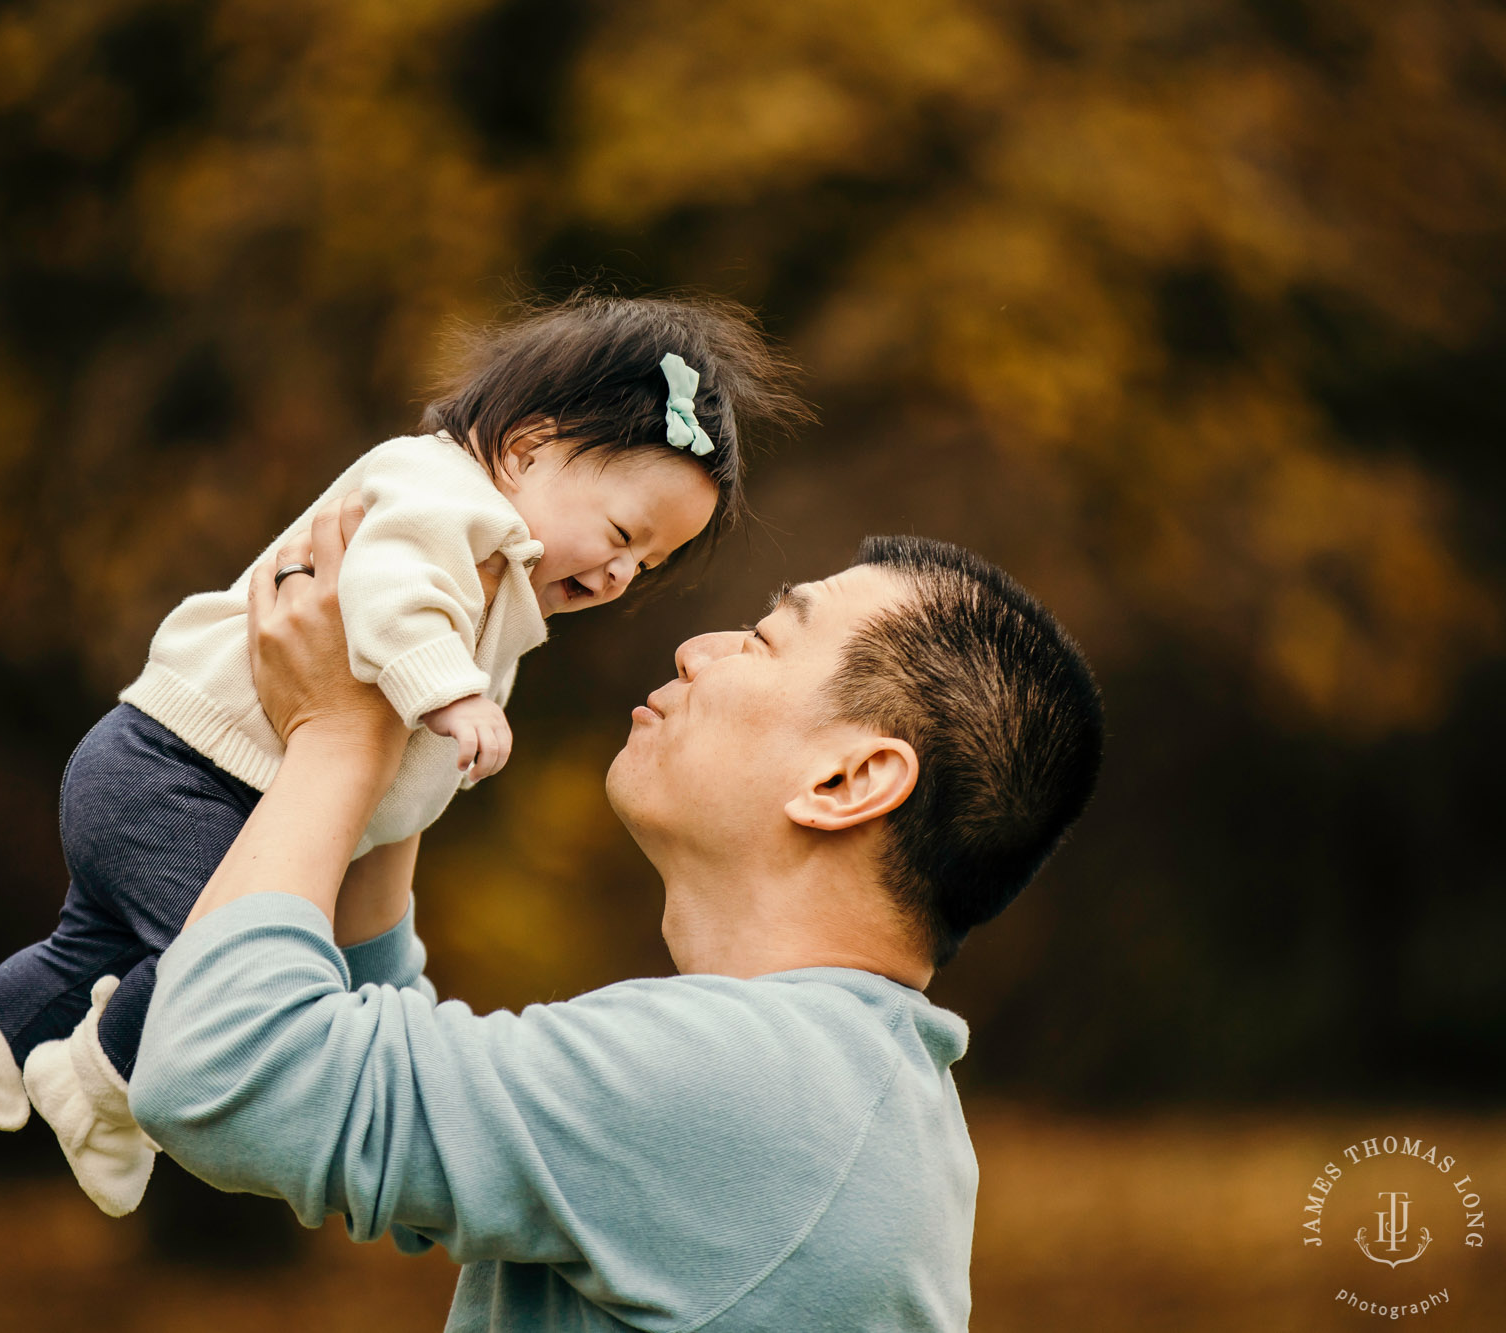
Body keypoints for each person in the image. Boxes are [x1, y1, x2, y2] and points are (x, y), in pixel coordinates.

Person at [0, 293, 808, 1216]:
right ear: (524, 450)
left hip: (175, 776)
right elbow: (389, 593)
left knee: (84, 951)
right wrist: (452, 693)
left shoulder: (496, 574)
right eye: (620, 534)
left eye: (645, 565)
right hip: (181, 773)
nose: (615, 575)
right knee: (219, 960)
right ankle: (99, 1081)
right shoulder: (444, 498)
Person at [128, 502, 1104, 1331]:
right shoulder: (825, 1083)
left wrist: (333, 736)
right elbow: (392, 1123)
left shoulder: (739, 1082)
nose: (695, 646)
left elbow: (224, 1072)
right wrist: (399, 750)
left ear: (846, 779)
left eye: (764, 639)